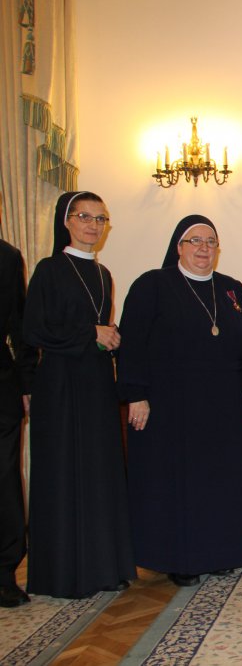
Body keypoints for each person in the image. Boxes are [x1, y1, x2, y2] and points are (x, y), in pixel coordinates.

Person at [118, 215, 242, 587]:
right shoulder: (153, 285)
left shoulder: (231, 290)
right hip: (171, 405)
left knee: (220, 481)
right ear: (178, 247)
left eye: (210, 241)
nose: (203, 248)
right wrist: (136, 394)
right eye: (195, 241)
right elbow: (132, 344)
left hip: (224, 403)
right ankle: (179, 559)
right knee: (179, 483)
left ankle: (221, 553)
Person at [23, 191, 135, 598]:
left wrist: (112, 338)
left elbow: (100, 330)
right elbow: (34, 329)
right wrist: (91, 334)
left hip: (97, 384)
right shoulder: (49, 269)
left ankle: (103, 567)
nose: (93, 225)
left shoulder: (104, 274)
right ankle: (64, 574)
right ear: (67, 221)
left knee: (100, 472)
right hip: (59, 386)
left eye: (100, 219)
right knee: (65, 473)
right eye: (85, 217)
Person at [0, 239, 34, 607]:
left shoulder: (7, 257)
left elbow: (20, 324)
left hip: (2, 385)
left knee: (4, 479)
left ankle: (4, 573)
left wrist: (26, 383)